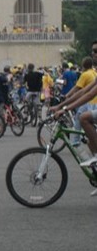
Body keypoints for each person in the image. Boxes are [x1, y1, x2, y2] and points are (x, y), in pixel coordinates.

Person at [51, 43, 97, 194]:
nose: (93, 54)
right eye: (92, 51)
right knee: (91, 140)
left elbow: (88, 95)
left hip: (90, 106)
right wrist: (61, 106)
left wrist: (65, 108)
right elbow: (84, 91)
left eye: (96, 51)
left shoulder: (86, 74)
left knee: (83, 118)